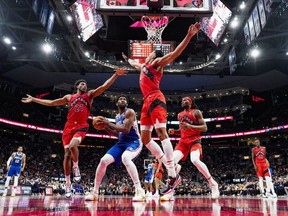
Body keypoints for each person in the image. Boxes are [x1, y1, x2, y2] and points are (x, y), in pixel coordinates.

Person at [122, 22, 201, 195]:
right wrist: (127, 60)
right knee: (145, 139)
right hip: (146, 103)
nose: (148, 54)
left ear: (154, 56)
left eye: (150, 52)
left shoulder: (157, 63)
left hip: (156, 98)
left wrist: (189, 35)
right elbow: (135, 64)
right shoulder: (143, 67)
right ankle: (170, 166)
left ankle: (172, 175)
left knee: (162, 133)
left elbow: (175, 53)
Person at [21, 69, 126, 198]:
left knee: (72, 147)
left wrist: (115, 75)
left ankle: (76, 167)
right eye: (82, 84)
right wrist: (34, 99)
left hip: (81, 126)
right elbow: (52, 103)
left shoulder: (89, 95)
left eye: (85, 84)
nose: (84, 85)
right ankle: (68, 184)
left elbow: (104, 86)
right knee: (66, 155)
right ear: (76, 87)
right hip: (68, 127)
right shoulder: (69, 97)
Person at [85, 95, 145, 201]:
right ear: (116, 104)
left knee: (125, 158)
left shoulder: (130, 112)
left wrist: (108, 123)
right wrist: (105, 127)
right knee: (103, 161)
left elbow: (126, 130)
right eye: (120, 99)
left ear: (127, 104)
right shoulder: (117, 117)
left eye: (124, 99)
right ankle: (95, 192)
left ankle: (139, 190)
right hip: (121, 143)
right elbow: (118, 134)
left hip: (134, 142)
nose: (122, 100)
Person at [165, 97, 219, 201]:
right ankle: (170, 191)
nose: (184, 101)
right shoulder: (179, 115)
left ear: (191, 103)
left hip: (195, 140)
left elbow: (204, 128)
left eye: (186, 100)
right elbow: (183, 130)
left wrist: (190, 126)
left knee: (194, 160)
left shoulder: (196, 112)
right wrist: (175, 132)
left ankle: (212, 183)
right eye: (182, 100)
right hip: (183, 141)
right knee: (171, 162)